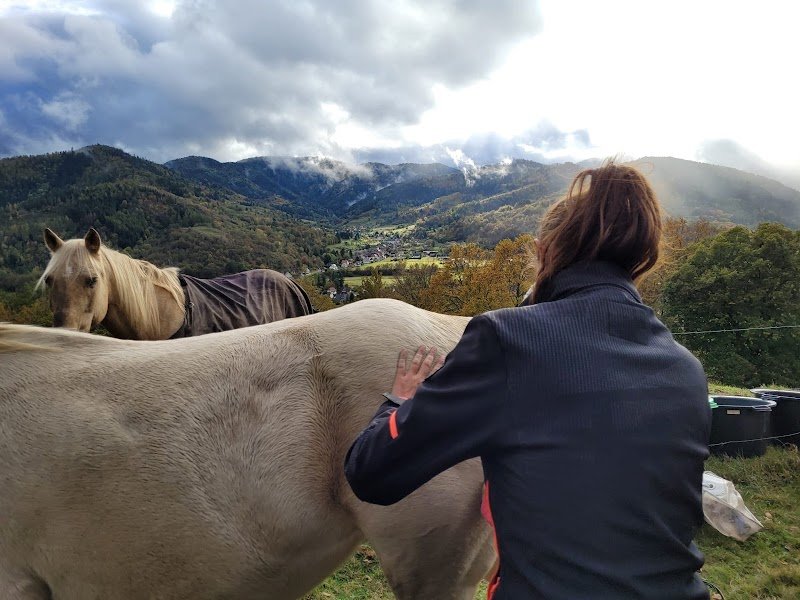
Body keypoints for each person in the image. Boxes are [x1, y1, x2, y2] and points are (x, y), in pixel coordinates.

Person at [344, 161, 711, 600]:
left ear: (544, 251)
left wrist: (399, 403)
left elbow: (371, 473)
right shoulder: (686, 369)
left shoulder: (508, 340)